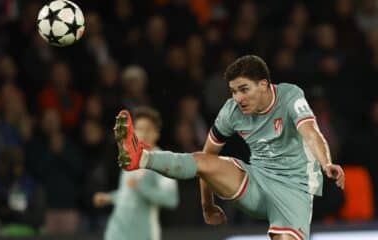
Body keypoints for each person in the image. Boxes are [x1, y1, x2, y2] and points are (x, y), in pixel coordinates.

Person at [114, 55, 345, 240]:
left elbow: (312, 134)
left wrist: (327, 163)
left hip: (294, 188)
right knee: (203, 159)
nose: (238, 98)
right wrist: (208, 205)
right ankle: (141, 157)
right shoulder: (231, 112)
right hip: (255, 181)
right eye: (233, 91)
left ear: (264, 85)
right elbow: (205, 159)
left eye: (244, 89)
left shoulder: (290, 96)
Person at [94, 106, 179, 240]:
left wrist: (141, 188)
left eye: (148, 129)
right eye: (139, 129)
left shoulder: (163, 161)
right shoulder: (128, 156)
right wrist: (110, 197)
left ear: (157, 133)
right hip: (117, 232)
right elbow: (128, 194)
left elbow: (171, 199)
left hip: (143, 234)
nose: (143, 134)